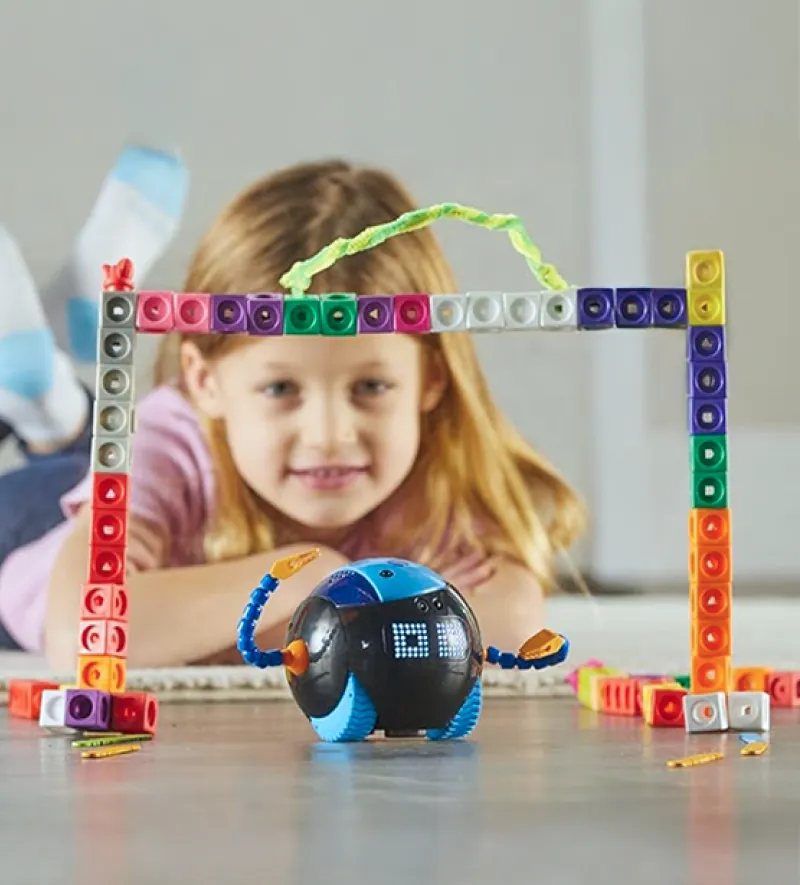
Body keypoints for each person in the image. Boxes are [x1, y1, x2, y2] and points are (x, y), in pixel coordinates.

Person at [0, 158, 586, 670]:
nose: (330, 436)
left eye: (372, 386)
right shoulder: (174, 437)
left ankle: (54, 395)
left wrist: (314, 610)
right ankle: (52, 400)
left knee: (89, 446)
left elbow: (509, 630)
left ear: (430, 379)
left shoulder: (436, 474)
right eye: (281, 388)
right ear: (205, 382)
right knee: (89, 463)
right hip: (28, 526)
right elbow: (80, 633)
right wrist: (305, 577)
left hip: (141, 481)